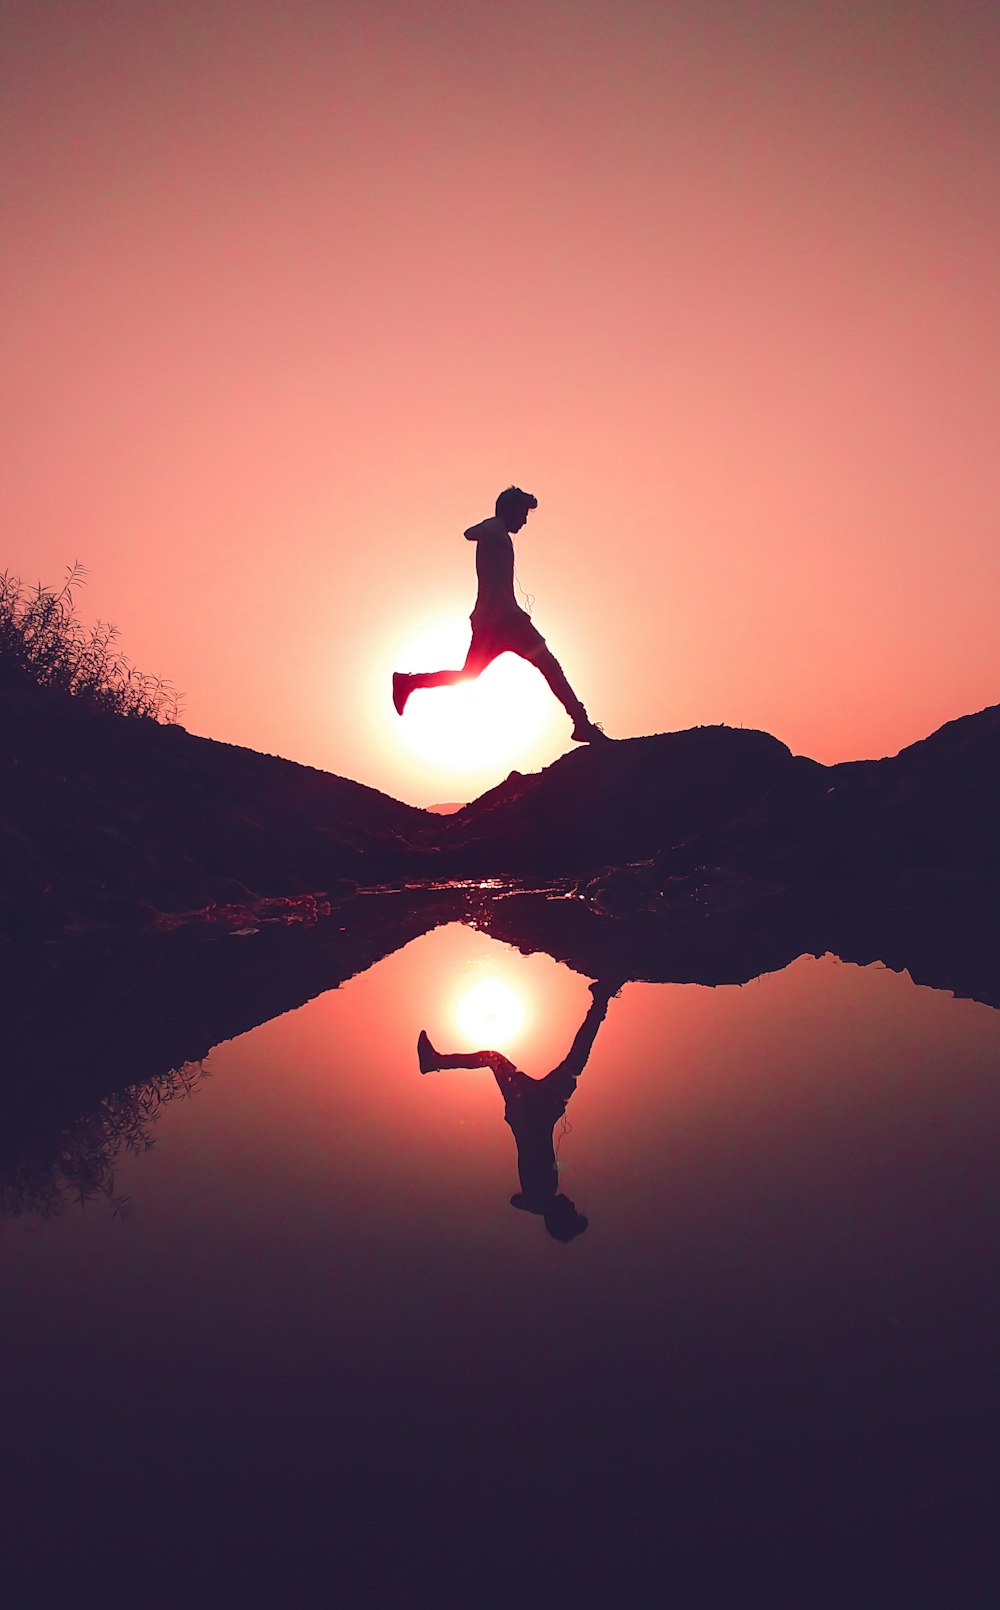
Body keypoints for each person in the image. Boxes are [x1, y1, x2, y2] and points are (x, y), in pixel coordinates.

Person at [392, 486, 608, 743]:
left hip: (490, 622)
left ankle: (408, 683)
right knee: (549, 665)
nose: (525, 520)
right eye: (523, 514)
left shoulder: (499, 533)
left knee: (468, 675)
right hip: (506, 621)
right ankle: (581, 724)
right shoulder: (494, 528)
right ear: (511, 511)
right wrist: (488, 528)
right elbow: (470, 533)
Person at [416, 979, 622, 1241]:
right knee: (560, 1062)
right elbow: (517, 1199)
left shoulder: (542, 1193)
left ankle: (601, 1000)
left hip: (533, 1110)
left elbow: (531, 1154)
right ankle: (600, 1001)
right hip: (534, 1111)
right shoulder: (541, 1196)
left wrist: (546, 1113)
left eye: (571, 1211)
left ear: (561, 1217)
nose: (572, 1204)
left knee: (566, 1062)